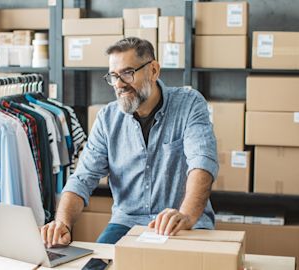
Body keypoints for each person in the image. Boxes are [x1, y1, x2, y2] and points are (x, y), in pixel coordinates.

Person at [40, 37, 218, 247]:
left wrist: (187, 215)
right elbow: (82, 178)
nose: (119, 84)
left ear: (153, 70)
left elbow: (202, 163)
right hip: (126, 224)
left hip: (181, 223)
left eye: (127, 73)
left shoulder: (189, 104)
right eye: (113, 76)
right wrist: (62, 223)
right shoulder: (107, 118)